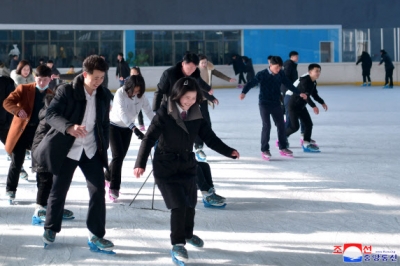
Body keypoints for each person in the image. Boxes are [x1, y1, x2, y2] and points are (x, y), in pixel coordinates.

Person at [133, 77, 239, 264]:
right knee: (178, 205)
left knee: (190, 203)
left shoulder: (196, 114)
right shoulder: (165, 113)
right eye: (186, 97)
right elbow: (148, 139)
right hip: (165, 166)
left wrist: (228, 151)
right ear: (177, 95)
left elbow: (210, 138)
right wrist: (140, 163)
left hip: (187, 164)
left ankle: (188, 234)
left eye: (193, 97)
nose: (189, 101)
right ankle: (178, 244)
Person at [32, 55, 114, 252]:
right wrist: (69, 127)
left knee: (98, 191)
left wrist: (104, 146)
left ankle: (96, 234)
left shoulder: (103, 95)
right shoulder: (66, 91)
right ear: (85, 74)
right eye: (95, 78)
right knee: (59, 190)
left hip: (91, 150)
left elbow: (103, 123)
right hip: (67, 150)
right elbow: (50, 114)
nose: (99, 82)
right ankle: (51, 227)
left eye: (102, 78)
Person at [239, 56, 307, 160]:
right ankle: (265, 149)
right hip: (264, 103)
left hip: (276, 103)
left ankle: (283, 147)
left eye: (280, 67)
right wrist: (244, 92)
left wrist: (299, 93)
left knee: (281, 125)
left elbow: (289, 84)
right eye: (276, 67)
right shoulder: (262, 74)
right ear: (270, 65)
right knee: (267, 126)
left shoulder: (280, 74)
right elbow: (251, 83)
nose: (278, 70)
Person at [3, 65, 54, 203]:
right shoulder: (23, 89)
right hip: (22, 131)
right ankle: (10, 190)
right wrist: (17, 110)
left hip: (39, 134)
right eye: (39, 79)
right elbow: (7, 102)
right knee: (17, 161)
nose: (41, 82)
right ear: (35, 77)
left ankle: (42, 194)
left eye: (45, 80)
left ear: (50, 79)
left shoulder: (52, 95)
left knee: (40, 164)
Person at [105, 74, 153, 201]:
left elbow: (148, 111)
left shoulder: (140, 96)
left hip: (128, 129)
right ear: (129, 87)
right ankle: (114, 188)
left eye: (139, 90)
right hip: (114, 126)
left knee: (120, 156)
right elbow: (121, 113)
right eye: (135, 90)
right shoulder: (120, 93)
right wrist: (134, 128)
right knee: (118, 155)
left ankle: (106, 176)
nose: (136, 92)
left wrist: (157, 125)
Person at [31, 84, 74, 224]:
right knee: (45, 182)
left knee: (54, 182)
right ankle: (39, 211)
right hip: (42, 151)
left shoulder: (59, 108)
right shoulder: (53, 111)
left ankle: (52, 208)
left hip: (51, 151)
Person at [196, 54, 236, 161]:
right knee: (198, 123)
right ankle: (198, 147)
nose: (204, 64)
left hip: (204, 100)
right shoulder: (195, 72)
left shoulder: (209, 67)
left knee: (207, 123)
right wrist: (211, 97)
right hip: (196, 99)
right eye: (202, 63)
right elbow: (199, 87)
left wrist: (228, 79)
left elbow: (217, 73)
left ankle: (205, 140)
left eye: (205, 62)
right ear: (198, 63)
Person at [152, 52, 218, 112]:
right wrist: (156, 110)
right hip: (170, 104)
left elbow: (200, 82)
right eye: (189, 68)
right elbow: (159, 92)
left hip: (186, 106)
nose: (191, 71)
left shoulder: (194, 74)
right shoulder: (169, 74)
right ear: (183, 64)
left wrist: (208, 89)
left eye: (193, 68)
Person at [285, 64, 328, 152]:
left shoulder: (313, 82)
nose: (318, 73)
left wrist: (322, 102)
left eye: (319, 71)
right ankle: (282, 137)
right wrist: (313, 106)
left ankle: (306, 144)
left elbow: (314, 94)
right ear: (310, 72)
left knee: (308, 124)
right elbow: (305, 96)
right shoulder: (305, 81)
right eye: (316, 71)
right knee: (294, 127)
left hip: (301, 106)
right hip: (293, 105)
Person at [128, 66, 146, 131]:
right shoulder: (129, 79)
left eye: (133, 72)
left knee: (139, 111)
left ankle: (141, 124)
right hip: (130, 99)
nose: (131, 74)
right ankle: (130, 123)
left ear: (138, 73)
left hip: (138, 98)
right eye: (131, 72)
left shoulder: (140, 80)